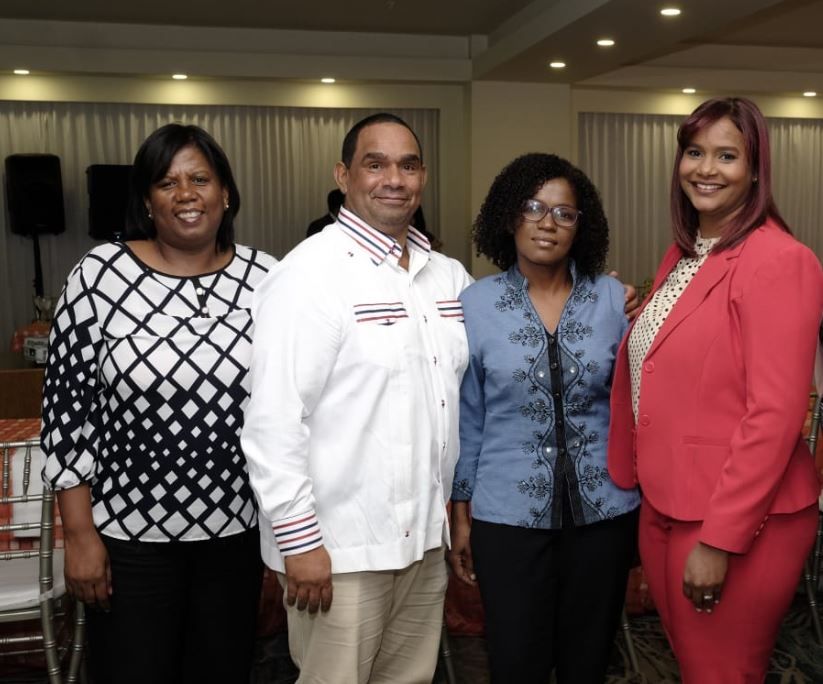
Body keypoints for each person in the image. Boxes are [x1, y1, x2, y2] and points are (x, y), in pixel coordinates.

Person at [41, 123, 277, 684]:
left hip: (237, 536)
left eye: (201, 178)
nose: (187, 193)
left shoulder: (267, 279)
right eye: (167, 182)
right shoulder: (99, 276)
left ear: (225, 193)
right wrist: (79, 537)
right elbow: (68, 416)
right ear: (146, 200)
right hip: (127, 542)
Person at [241, 112, 472, 683]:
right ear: (344, 175)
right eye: (376, 163)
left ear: (423, 177)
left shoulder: (446, 277)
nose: (394, 178)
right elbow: (272, 422)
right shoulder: (308, 275)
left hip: (421, 543)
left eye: (409, 164)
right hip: (338, 553)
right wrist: (300, 546)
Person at [608, 97, 823, 683]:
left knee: (722, 672)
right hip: (667, 501)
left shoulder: (781, 260)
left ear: (756, 170)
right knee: (694, 665)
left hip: (737, 519)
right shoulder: (685, 254)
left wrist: (720, 541)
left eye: (728, 155)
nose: (706, 168)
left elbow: (775, 415)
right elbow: (677, 362)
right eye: (695, 152)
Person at [447, 153, 640, 683]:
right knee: (515, 661)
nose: (547, 223)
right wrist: (461, 512)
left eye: (564, 213)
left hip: (605, 512)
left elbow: (635, 401)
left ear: (583, 227)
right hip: (507, 517)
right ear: (510, 217)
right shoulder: (474, 304)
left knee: (588, 660)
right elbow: (470, 417)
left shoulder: (611, 301)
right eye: (533, 208)